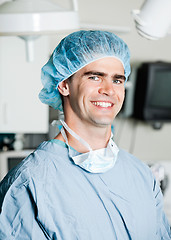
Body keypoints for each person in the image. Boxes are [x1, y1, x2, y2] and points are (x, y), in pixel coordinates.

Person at [0, 30, 170, 240]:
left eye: (117, 80)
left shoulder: (141, 175)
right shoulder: (29, 184)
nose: (109, 90)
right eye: (95, 77)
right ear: (64, 84)